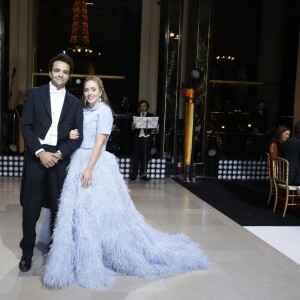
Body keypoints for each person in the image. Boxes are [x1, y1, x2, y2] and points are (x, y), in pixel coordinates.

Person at [41, 76, 209, 290]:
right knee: (78, 213)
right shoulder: (84, 111)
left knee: (95, 212)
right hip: (77, 161)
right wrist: (73, 133)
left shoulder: (104, 111)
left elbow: (100, 141)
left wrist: (89, 169)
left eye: (93, 89)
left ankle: (100, 252)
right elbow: (79, 136)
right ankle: (77, 252)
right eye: (86, 90)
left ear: (101, 91)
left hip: (94, 163)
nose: (90, 93)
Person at [19, 53, 83, 272]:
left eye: (65, 72)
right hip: (36, 157)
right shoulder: (35, 94)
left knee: (58, 208)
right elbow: (26, 126)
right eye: (57, 70)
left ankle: (57, 252)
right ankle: (27, 252)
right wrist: (39, 152)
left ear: (68, 76)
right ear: (50, 72)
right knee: (31, 208)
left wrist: (58, 154)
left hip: (59, 159)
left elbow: (79, 136)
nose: (61, 75)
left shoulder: (75, 103)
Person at [130, 100, 155, 181]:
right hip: (137, 138)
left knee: (145, 156)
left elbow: (154, 129)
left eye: (144, 106)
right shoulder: (135, 116)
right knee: (136, 156)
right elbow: (131, 130)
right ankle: (134, 175)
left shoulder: (152, 116)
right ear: (139, 107)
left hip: (147, 138)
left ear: (147, 107)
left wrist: (155, 126)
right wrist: (133, 126)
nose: (143, 107)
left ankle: (143, 174)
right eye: (141, 106)